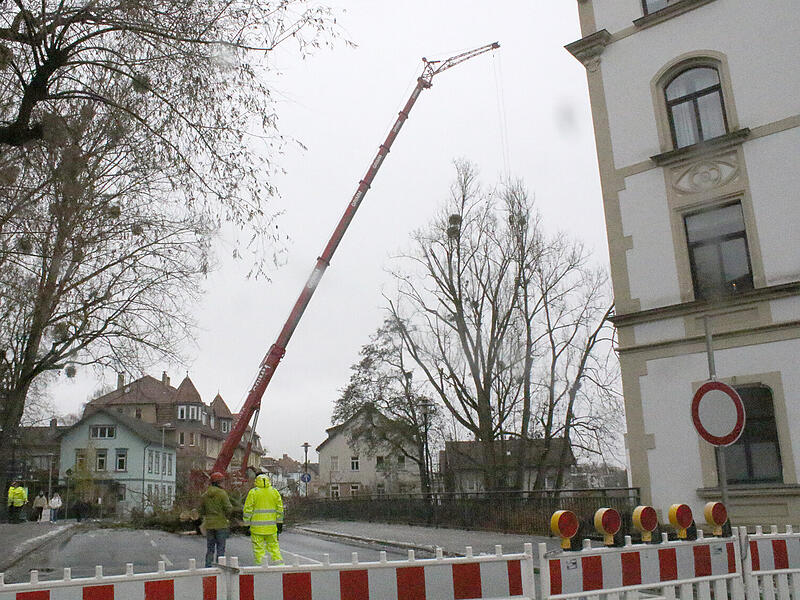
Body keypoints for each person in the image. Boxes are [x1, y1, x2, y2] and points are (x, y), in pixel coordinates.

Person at [243, 473, 284, 566]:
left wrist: (246, 525)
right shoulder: (274, 492)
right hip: (272, 528)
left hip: (256, 528)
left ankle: (261, 566)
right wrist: (280, 524)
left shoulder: (253, 492)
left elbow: (247, 510)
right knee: (274, 547)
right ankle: (280, 566)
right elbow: (280, 509)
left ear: (256, 482)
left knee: (259, 549)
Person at [200, 472, 233, 568]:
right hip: (221, 524)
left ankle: (208, 567)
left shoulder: (205, 495)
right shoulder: (222, 494)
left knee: (210, 548)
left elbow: (201, 510)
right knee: (220, 548)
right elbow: (228, 508)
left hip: (209, 525)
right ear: (219, 482)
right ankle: (220, 567)